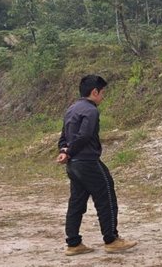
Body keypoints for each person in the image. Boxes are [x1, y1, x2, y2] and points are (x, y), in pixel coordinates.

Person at [57, 75, 138, 256]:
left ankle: (73, 243)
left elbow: (63, 137)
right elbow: (85, 136)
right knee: (106, 196)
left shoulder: (71, 109)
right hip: (88, 162)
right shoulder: (91, 110)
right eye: (102, 93)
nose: (103, 97)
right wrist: (69, 151)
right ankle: (111, 240)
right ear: (94, 92)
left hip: (73, 164)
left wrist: (64, 151)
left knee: (76, 202)